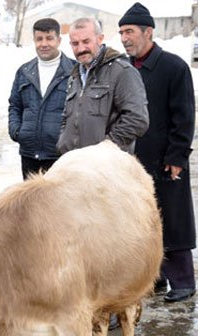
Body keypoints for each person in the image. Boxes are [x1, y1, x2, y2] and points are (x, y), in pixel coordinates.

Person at [119, 2, 196, 302]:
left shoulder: (174, 67)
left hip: (166, 160)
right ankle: (157, 277)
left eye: (129, 31)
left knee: (173, 221)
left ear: (148, 32)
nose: (124, 38)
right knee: (145, 222)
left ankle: (183, 281)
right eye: (121, 32)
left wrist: (177, 157)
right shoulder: (125, 69)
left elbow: (184, 116)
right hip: (135, 162)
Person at [56, 17, 149, 155]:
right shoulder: (75, 76)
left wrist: (106, 149)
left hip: (105, 168)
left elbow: (137, 119)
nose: (81, 48)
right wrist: (63, 142)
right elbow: (67, 117)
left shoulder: (121, 71)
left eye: (86, 41)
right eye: (75, 43)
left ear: (100, 38)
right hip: (74, 164)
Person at [8, 18, 75, 179]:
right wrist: (17, 131)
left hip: (60, 156)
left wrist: (66, 139)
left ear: (59, 40)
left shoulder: (74, 71)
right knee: (31, 203)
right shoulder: (24, 72)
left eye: (49, 38)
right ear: (34, 41)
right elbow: (15, 106)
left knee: (59, 204)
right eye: (39, 39)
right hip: (29, 154)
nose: (44, 44)